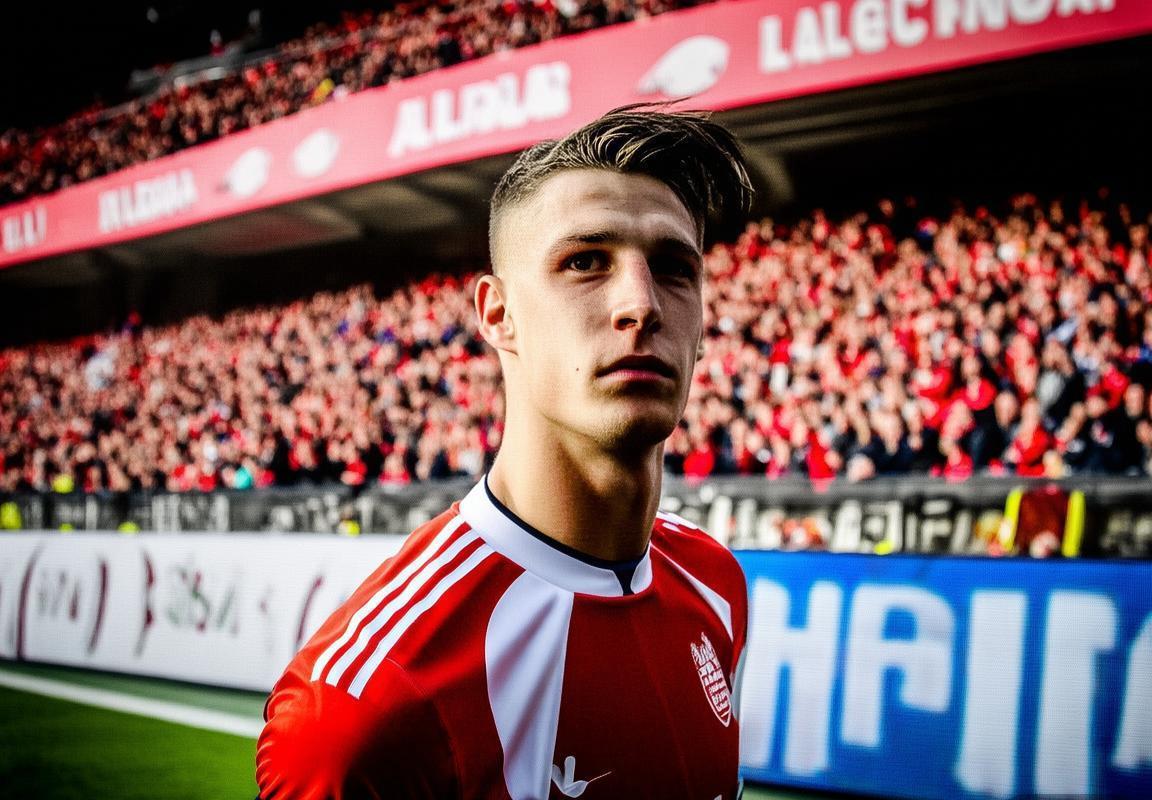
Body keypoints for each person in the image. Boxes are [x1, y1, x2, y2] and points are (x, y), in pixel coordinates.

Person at [256, 105, 754, 799]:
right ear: (497, 315)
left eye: (674, 268)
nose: (641, 305)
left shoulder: (715, 582)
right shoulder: (364, 710)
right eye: (585, 262)